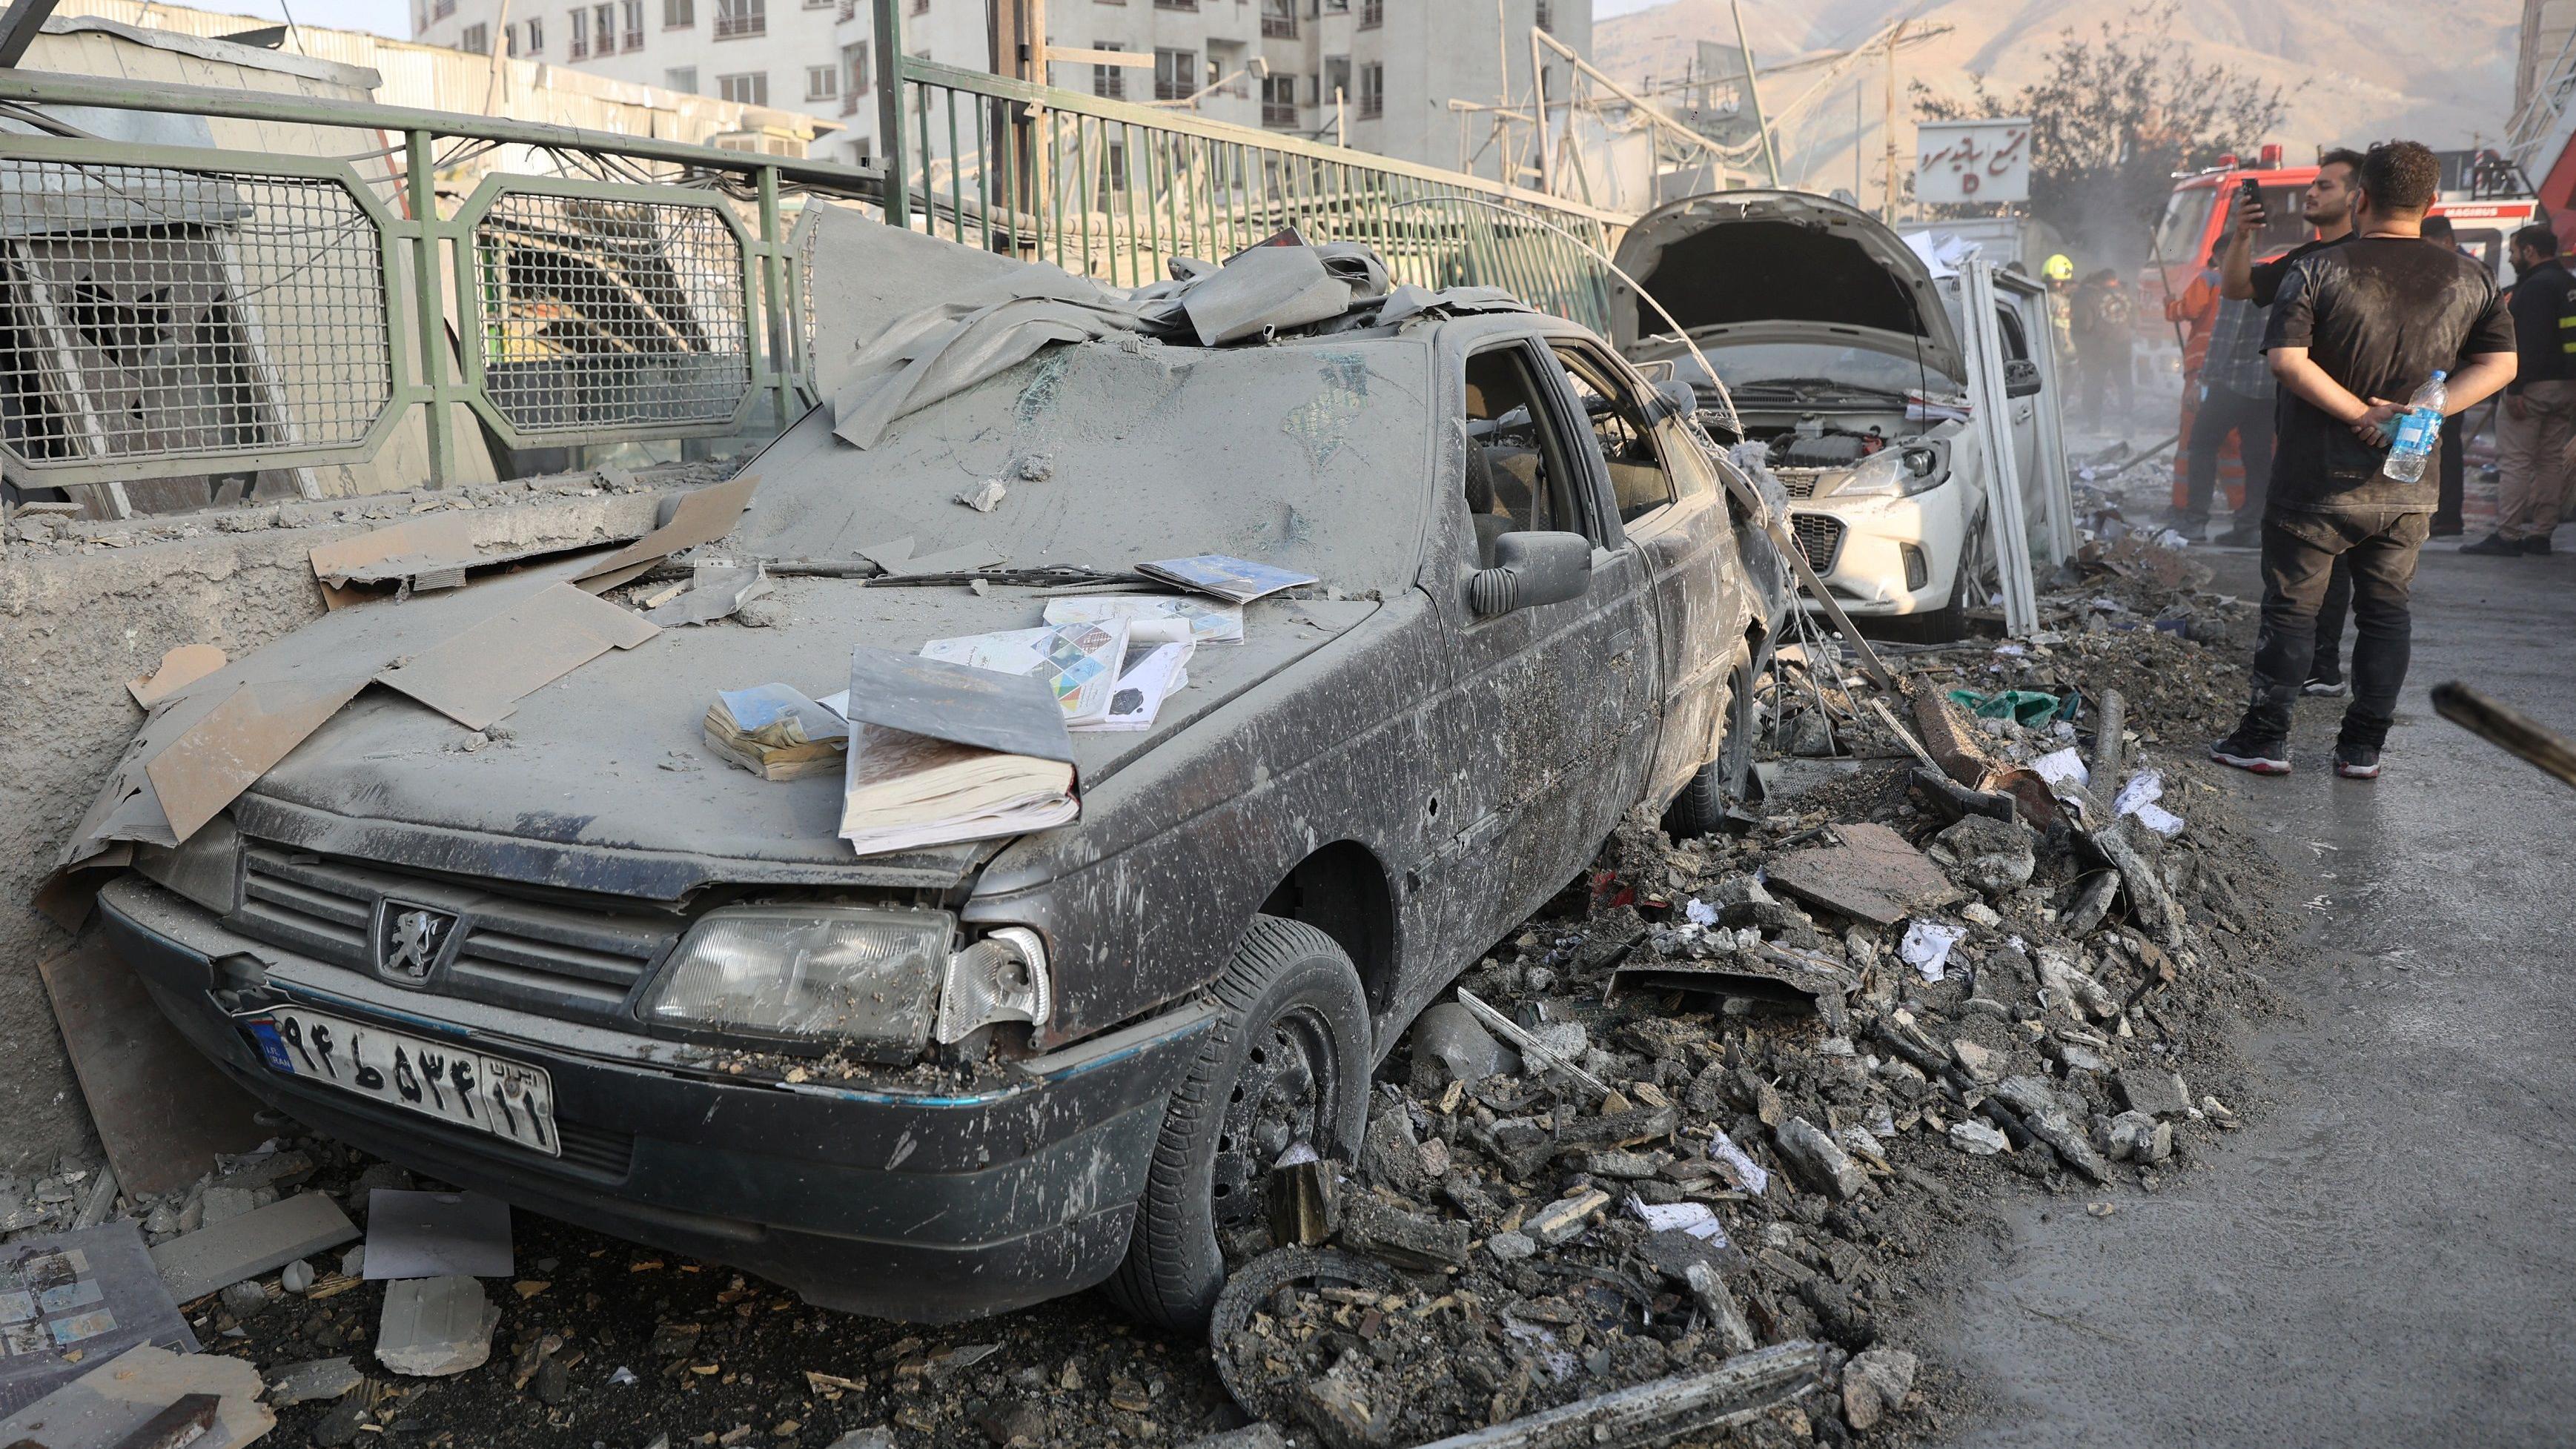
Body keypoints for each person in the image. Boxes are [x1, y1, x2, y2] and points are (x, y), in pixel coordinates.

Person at [2210, 141, 2517, 780]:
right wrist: (2421, 415)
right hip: (2406, 484)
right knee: (2385, 609)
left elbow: (2287, 361)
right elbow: (2501, 365)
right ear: (2431, 202)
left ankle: (2265, 736)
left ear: (2361, 197)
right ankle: (2361, 748)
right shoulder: (2470, 277)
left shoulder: (2318, 268)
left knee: (2292, 608)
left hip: (2314, 482)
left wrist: (2360, 414)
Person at [2221, 148, 2365, 686]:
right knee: (2321, 562)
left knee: (2323, 565)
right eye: (2312, 184)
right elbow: (2235, 288)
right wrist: (2240, 236)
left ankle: (2310, 670)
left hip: (2347, 433)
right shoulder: (2304, 259)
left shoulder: (2367, 258)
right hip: (2305, 431)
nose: (2310, 192)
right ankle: (2318, 666)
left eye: (2325, 186)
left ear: (2358, 196)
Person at [2463, 222, 2576, 556]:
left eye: (2513, 251)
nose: (2511, 258)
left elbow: (2528, 343)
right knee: (2550, 462)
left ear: (2529, 251)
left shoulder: (2536, 288)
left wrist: (2514, 389)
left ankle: (2509, 535)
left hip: (2532, 388)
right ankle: (2541, 534)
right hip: (2565, 387)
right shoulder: (2568, 284)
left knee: (2515, 461)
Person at [2181, 234, 2278, 545]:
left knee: (2201, 444)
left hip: (2234, 383)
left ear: (2226, 256)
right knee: (2258, 456)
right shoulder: (2272, 279)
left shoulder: (2238, 284)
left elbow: (2225, 336)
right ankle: (2250, 527)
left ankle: (2196, 522)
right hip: (2268, 387)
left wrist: (2204, 381)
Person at [2420, 215, 2471, 536]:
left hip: (2456, 374)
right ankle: (2442, 512)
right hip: (2445, 371)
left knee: (2445, 444)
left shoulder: (2465, 273)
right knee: (2437, 442)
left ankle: (2449, 515)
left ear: (2448, 242)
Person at [2070, 268, 2135, 429]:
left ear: (2099, 281)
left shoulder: (2091, 296)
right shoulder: (2127, 295)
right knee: (2125, 384)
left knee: (2094, 385)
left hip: (2100, 349)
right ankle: (2127, 418)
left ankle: (2093, 423)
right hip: (2123, 347)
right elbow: (2135, 322)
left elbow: (2086, 325)